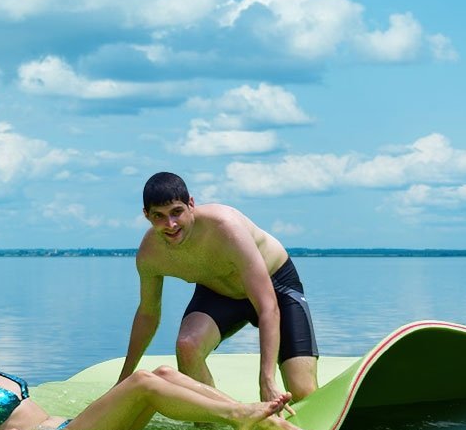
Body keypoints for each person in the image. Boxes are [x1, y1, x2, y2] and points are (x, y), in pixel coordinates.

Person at [0, 301, 315, 430]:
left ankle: (258, 417)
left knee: (164, 370)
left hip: (68, 424)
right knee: (144, 382)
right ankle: (240, 416)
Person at [120, 172, 319, 406]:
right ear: (147, 216)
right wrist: (124, 380)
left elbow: (267, 306)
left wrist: (266, 379)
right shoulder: (150, 254)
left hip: (276, 288)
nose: (171, 224)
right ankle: (212, 420)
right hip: (218, 292)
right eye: (159, 216)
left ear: (191, 205)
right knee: (187, 346)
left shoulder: (226, 228)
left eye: (176, 212)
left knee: (303, 393)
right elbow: (148, 313)